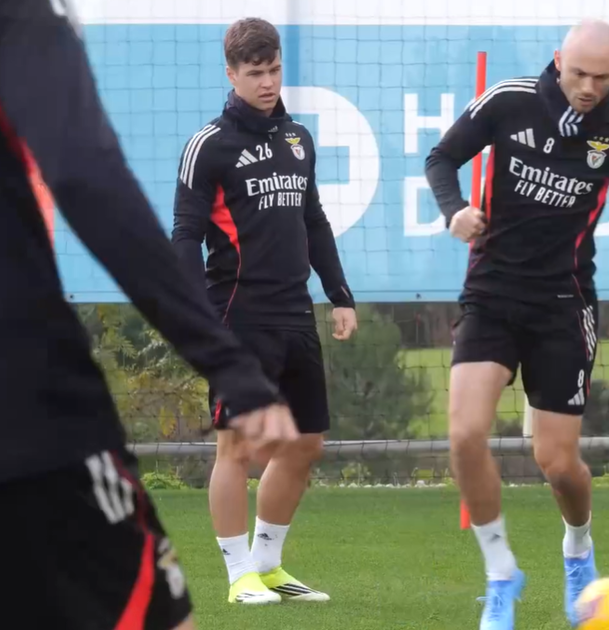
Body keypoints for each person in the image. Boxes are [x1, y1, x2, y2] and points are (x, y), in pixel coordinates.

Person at [0, 1, 302, 629]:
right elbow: (86, 177)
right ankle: (242, 568)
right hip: (14, 406)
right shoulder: (7, 13)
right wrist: (225, 362)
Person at [425, 18, 609, 630]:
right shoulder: (511, 101)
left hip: (564, 303)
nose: (587, 87)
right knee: (465, 435)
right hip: (492, 294)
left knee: (558, 464)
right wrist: (455, 211)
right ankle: (501, 575)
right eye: (578, 72)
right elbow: (442, 156)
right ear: (558, 61)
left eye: (601, 77)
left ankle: (578, 548)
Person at [170, 17, 358, 606]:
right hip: (236, 315)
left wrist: (340, 293)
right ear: (231, 74)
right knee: (237, 445)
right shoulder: (209, 146)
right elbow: (183, 238)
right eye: (255, 73)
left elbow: (315, 222)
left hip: (295, 314)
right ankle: (236, 576)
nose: (268, 82)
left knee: (305, 444)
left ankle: (269, 565)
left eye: (275, 70)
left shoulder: (298, 138)